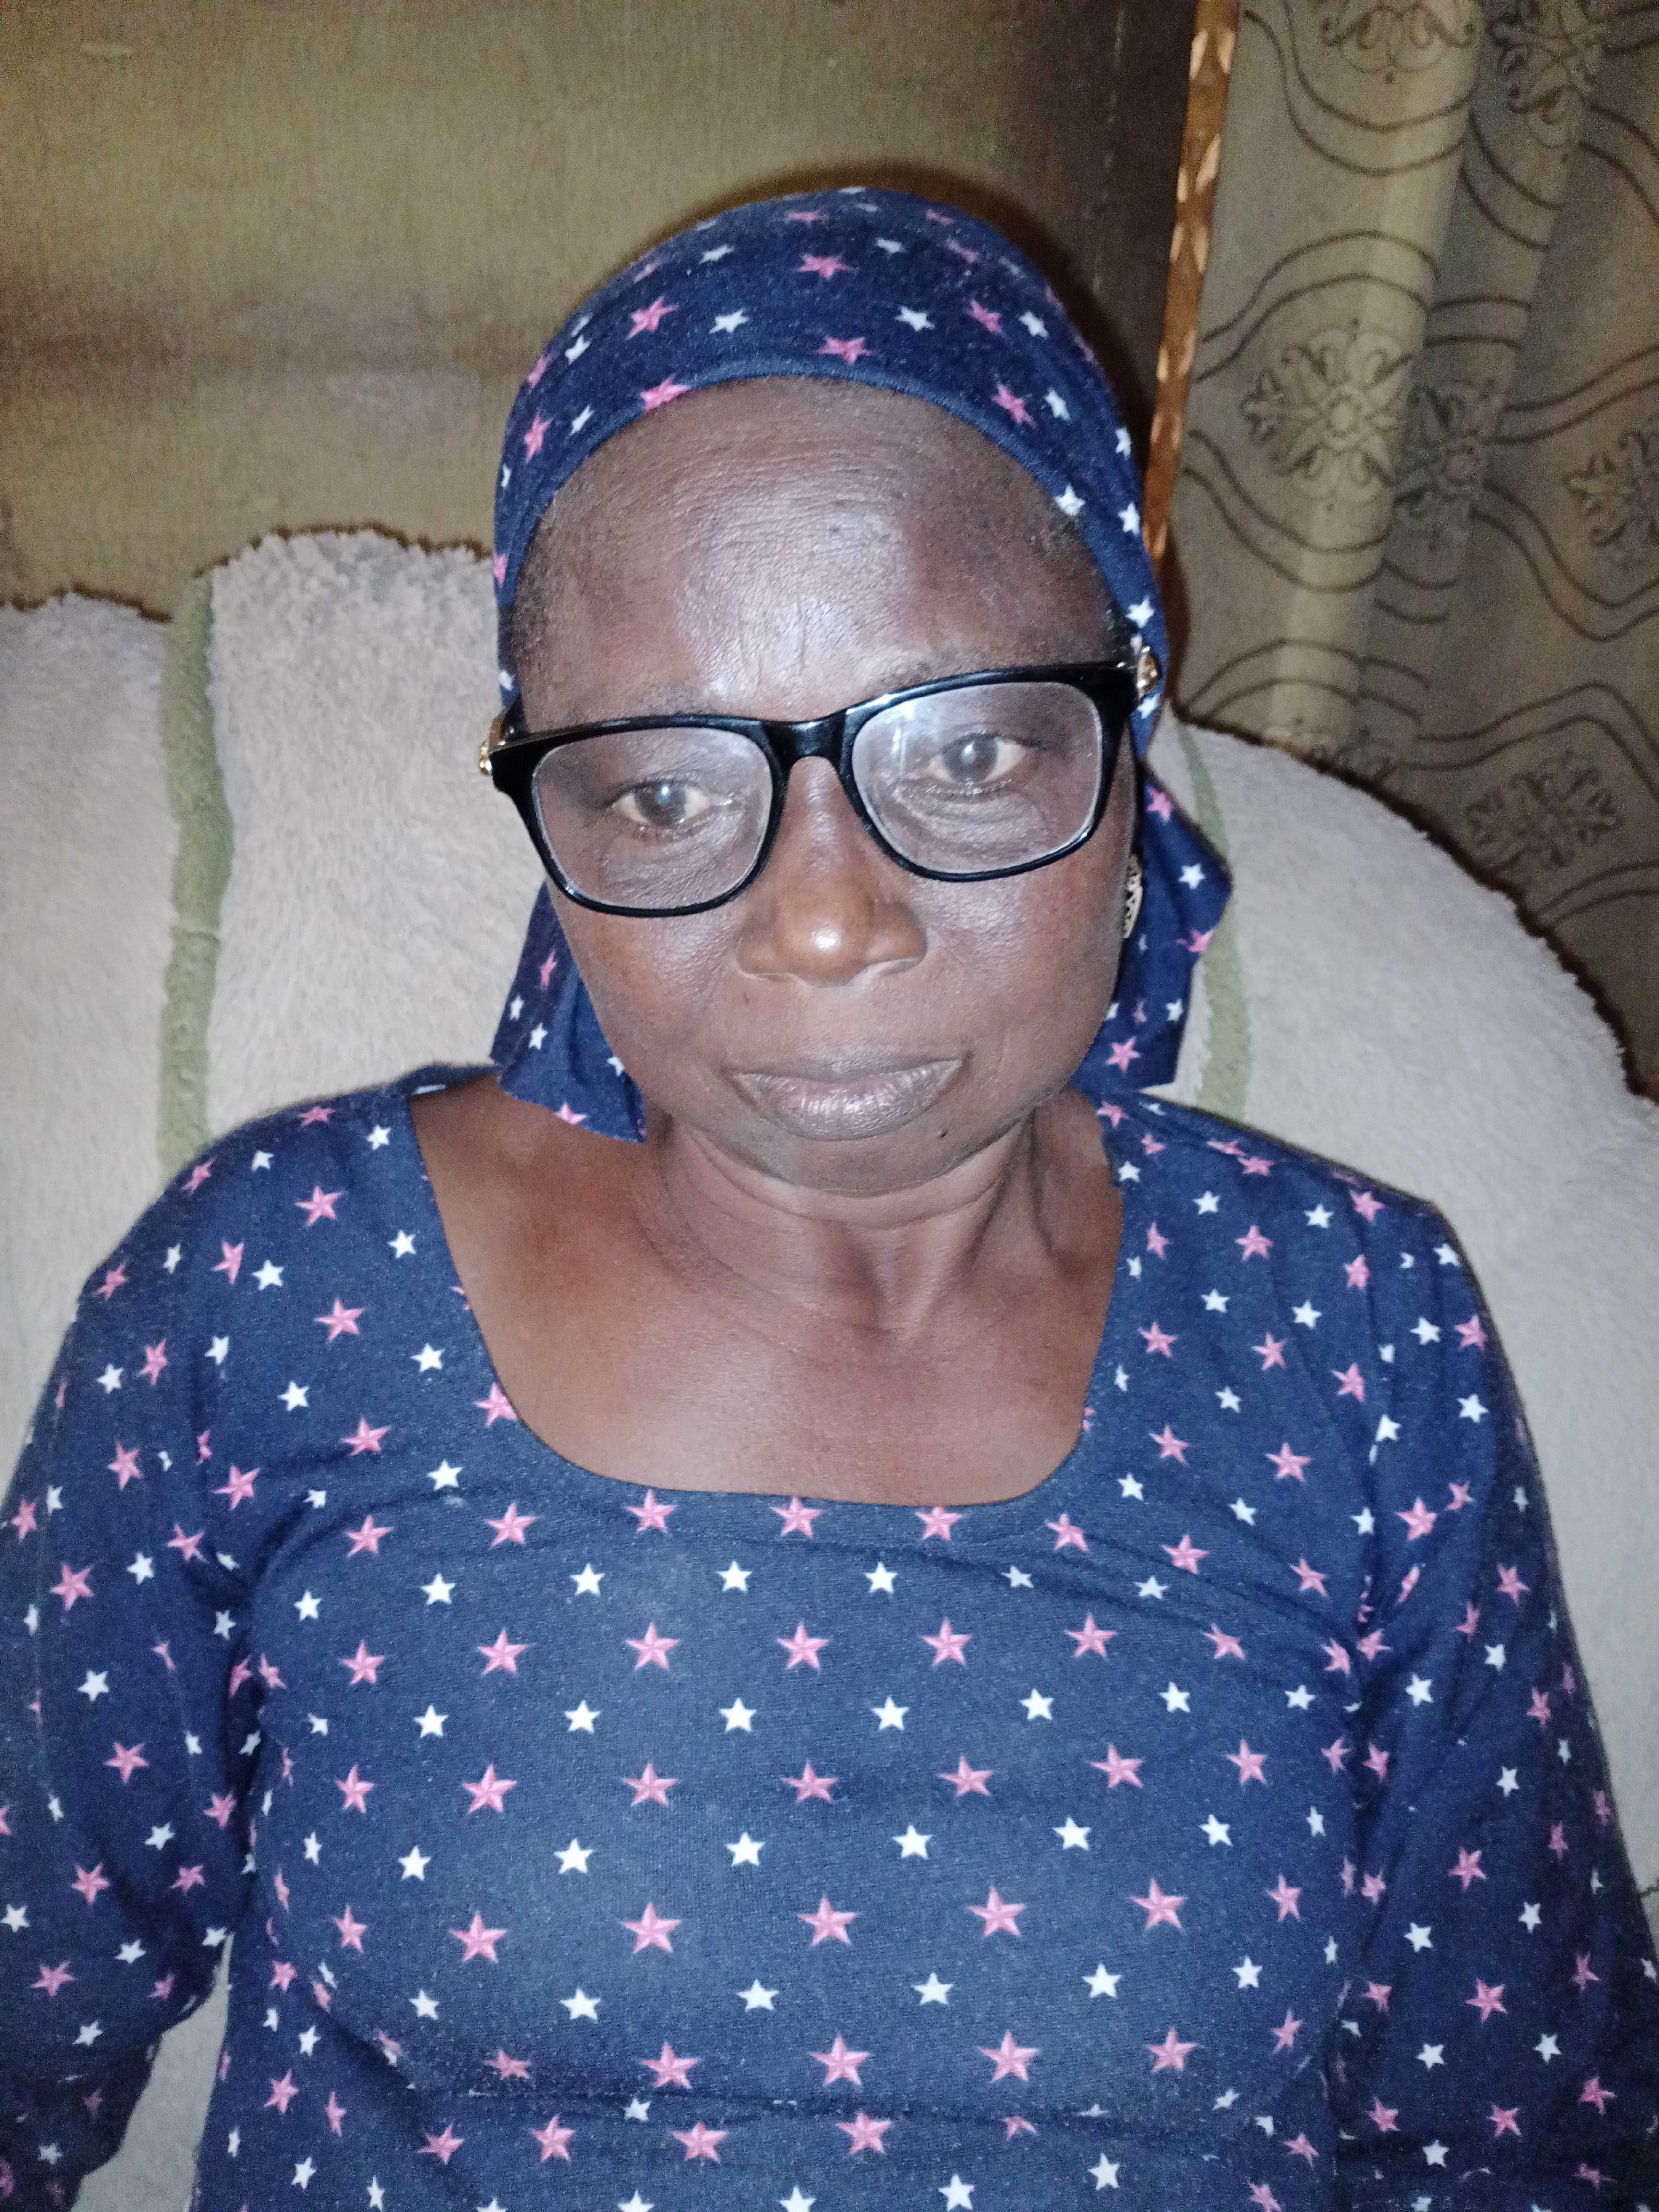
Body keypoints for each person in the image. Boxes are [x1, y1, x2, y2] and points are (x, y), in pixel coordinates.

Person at [1, 190, 1654, 2212]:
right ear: (540, 787)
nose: (824, 920)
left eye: (960, 757)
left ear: (1131, 701)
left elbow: (1526, 2136)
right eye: (665, 790)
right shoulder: (270, 1285)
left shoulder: (1358, 1326)